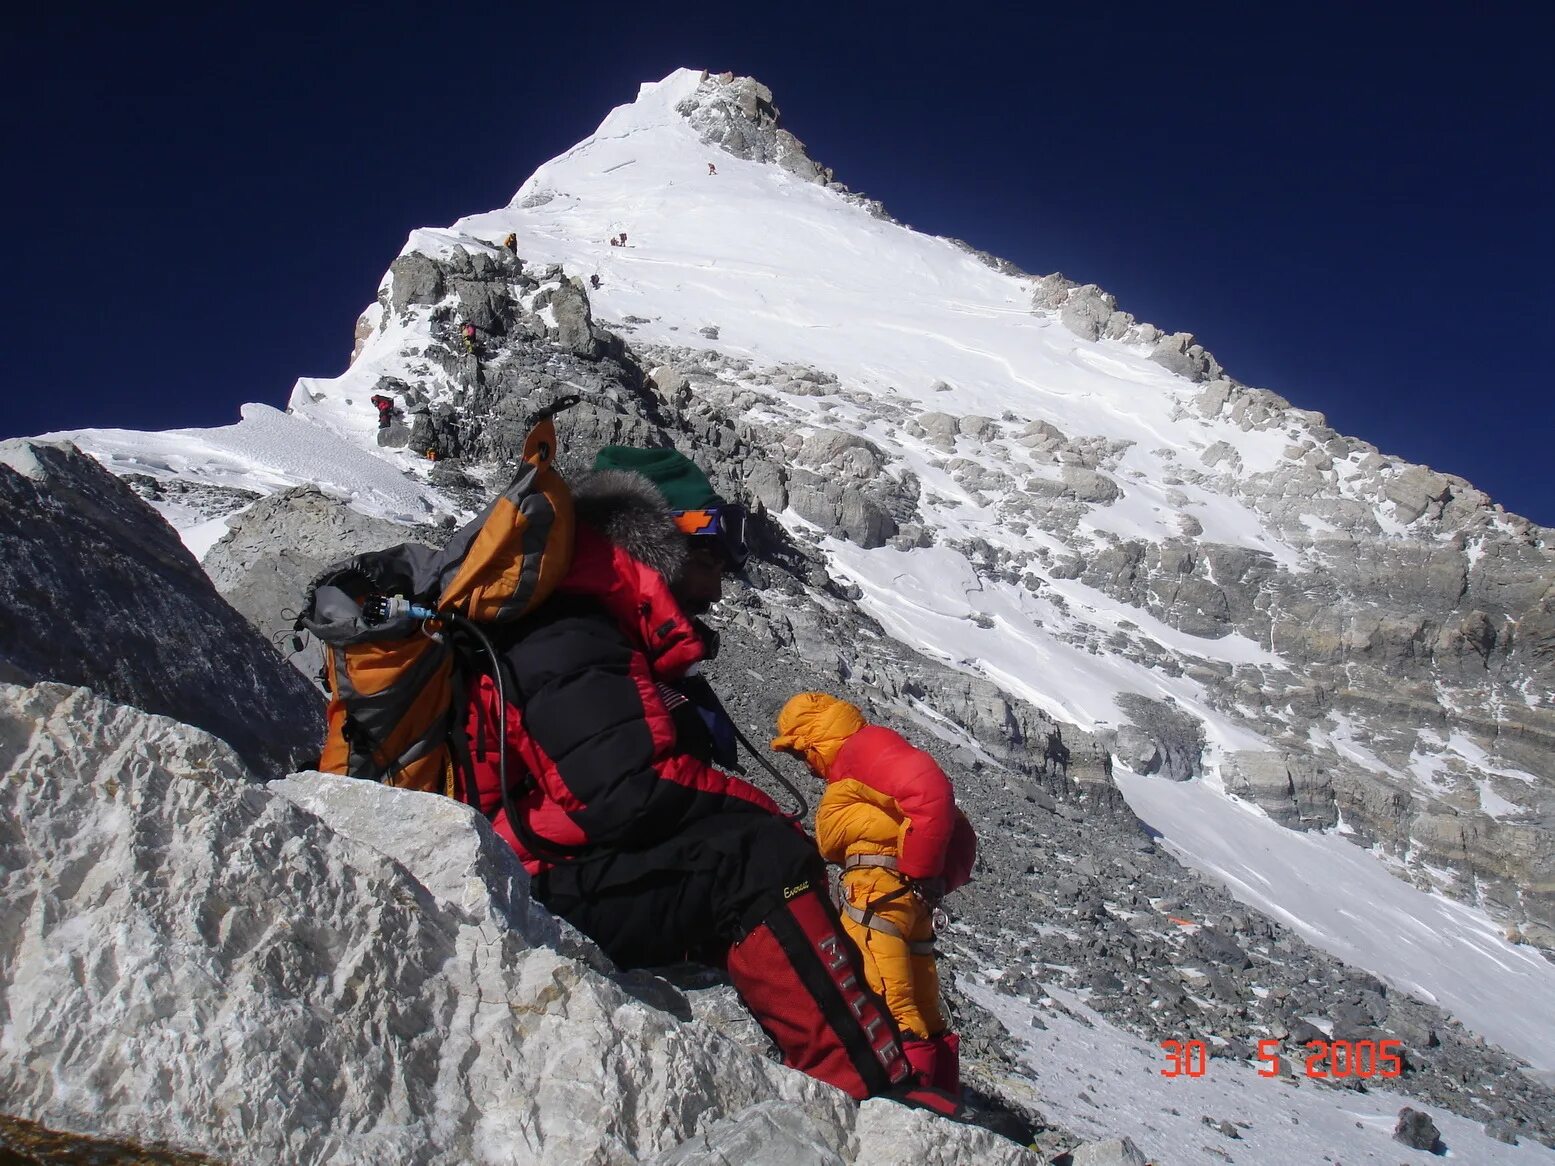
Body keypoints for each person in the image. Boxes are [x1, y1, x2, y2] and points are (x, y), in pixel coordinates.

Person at [463, 447, 959, 1114]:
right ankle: (872, 1094)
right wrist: (772, 825)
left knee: (746, 851)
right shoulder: (571, 632)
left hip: (553, 871)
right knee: (756, 856)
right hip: (526, 884)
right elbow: (622, 790)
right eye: (708, 559)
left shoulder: (591, 631)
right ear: (655, 542)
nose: (718, 587)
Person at [771, 693, 977, 1097]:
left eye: (801, 756)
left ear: (815, 740)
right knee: (920, 1005)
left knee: (887, 1005)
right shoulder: (871, 755)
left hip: (875, 896)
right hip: (905, 898)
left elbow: (931, 791)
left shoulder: (861, 751)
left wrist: (922, 871)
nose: (807, 769)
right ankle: (946, 1099)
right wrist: (931, 878)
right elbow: (959, 829)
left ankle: (911, 1105)